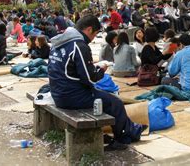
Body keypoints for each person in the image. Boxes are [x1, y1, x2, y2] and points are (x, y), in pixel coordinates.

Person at [48, 15, 146, 148]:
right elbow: (89, 78)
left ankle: (131, 129)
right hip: (71, 96)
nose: (94, 38)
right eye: (95, 34)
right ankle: (122, 138)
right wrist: (101, 70)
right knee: (115, 103)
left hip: (58, 92)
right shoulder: (78, 45)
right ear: (89, 30)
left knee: (105, 97)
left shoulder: (59, 42)